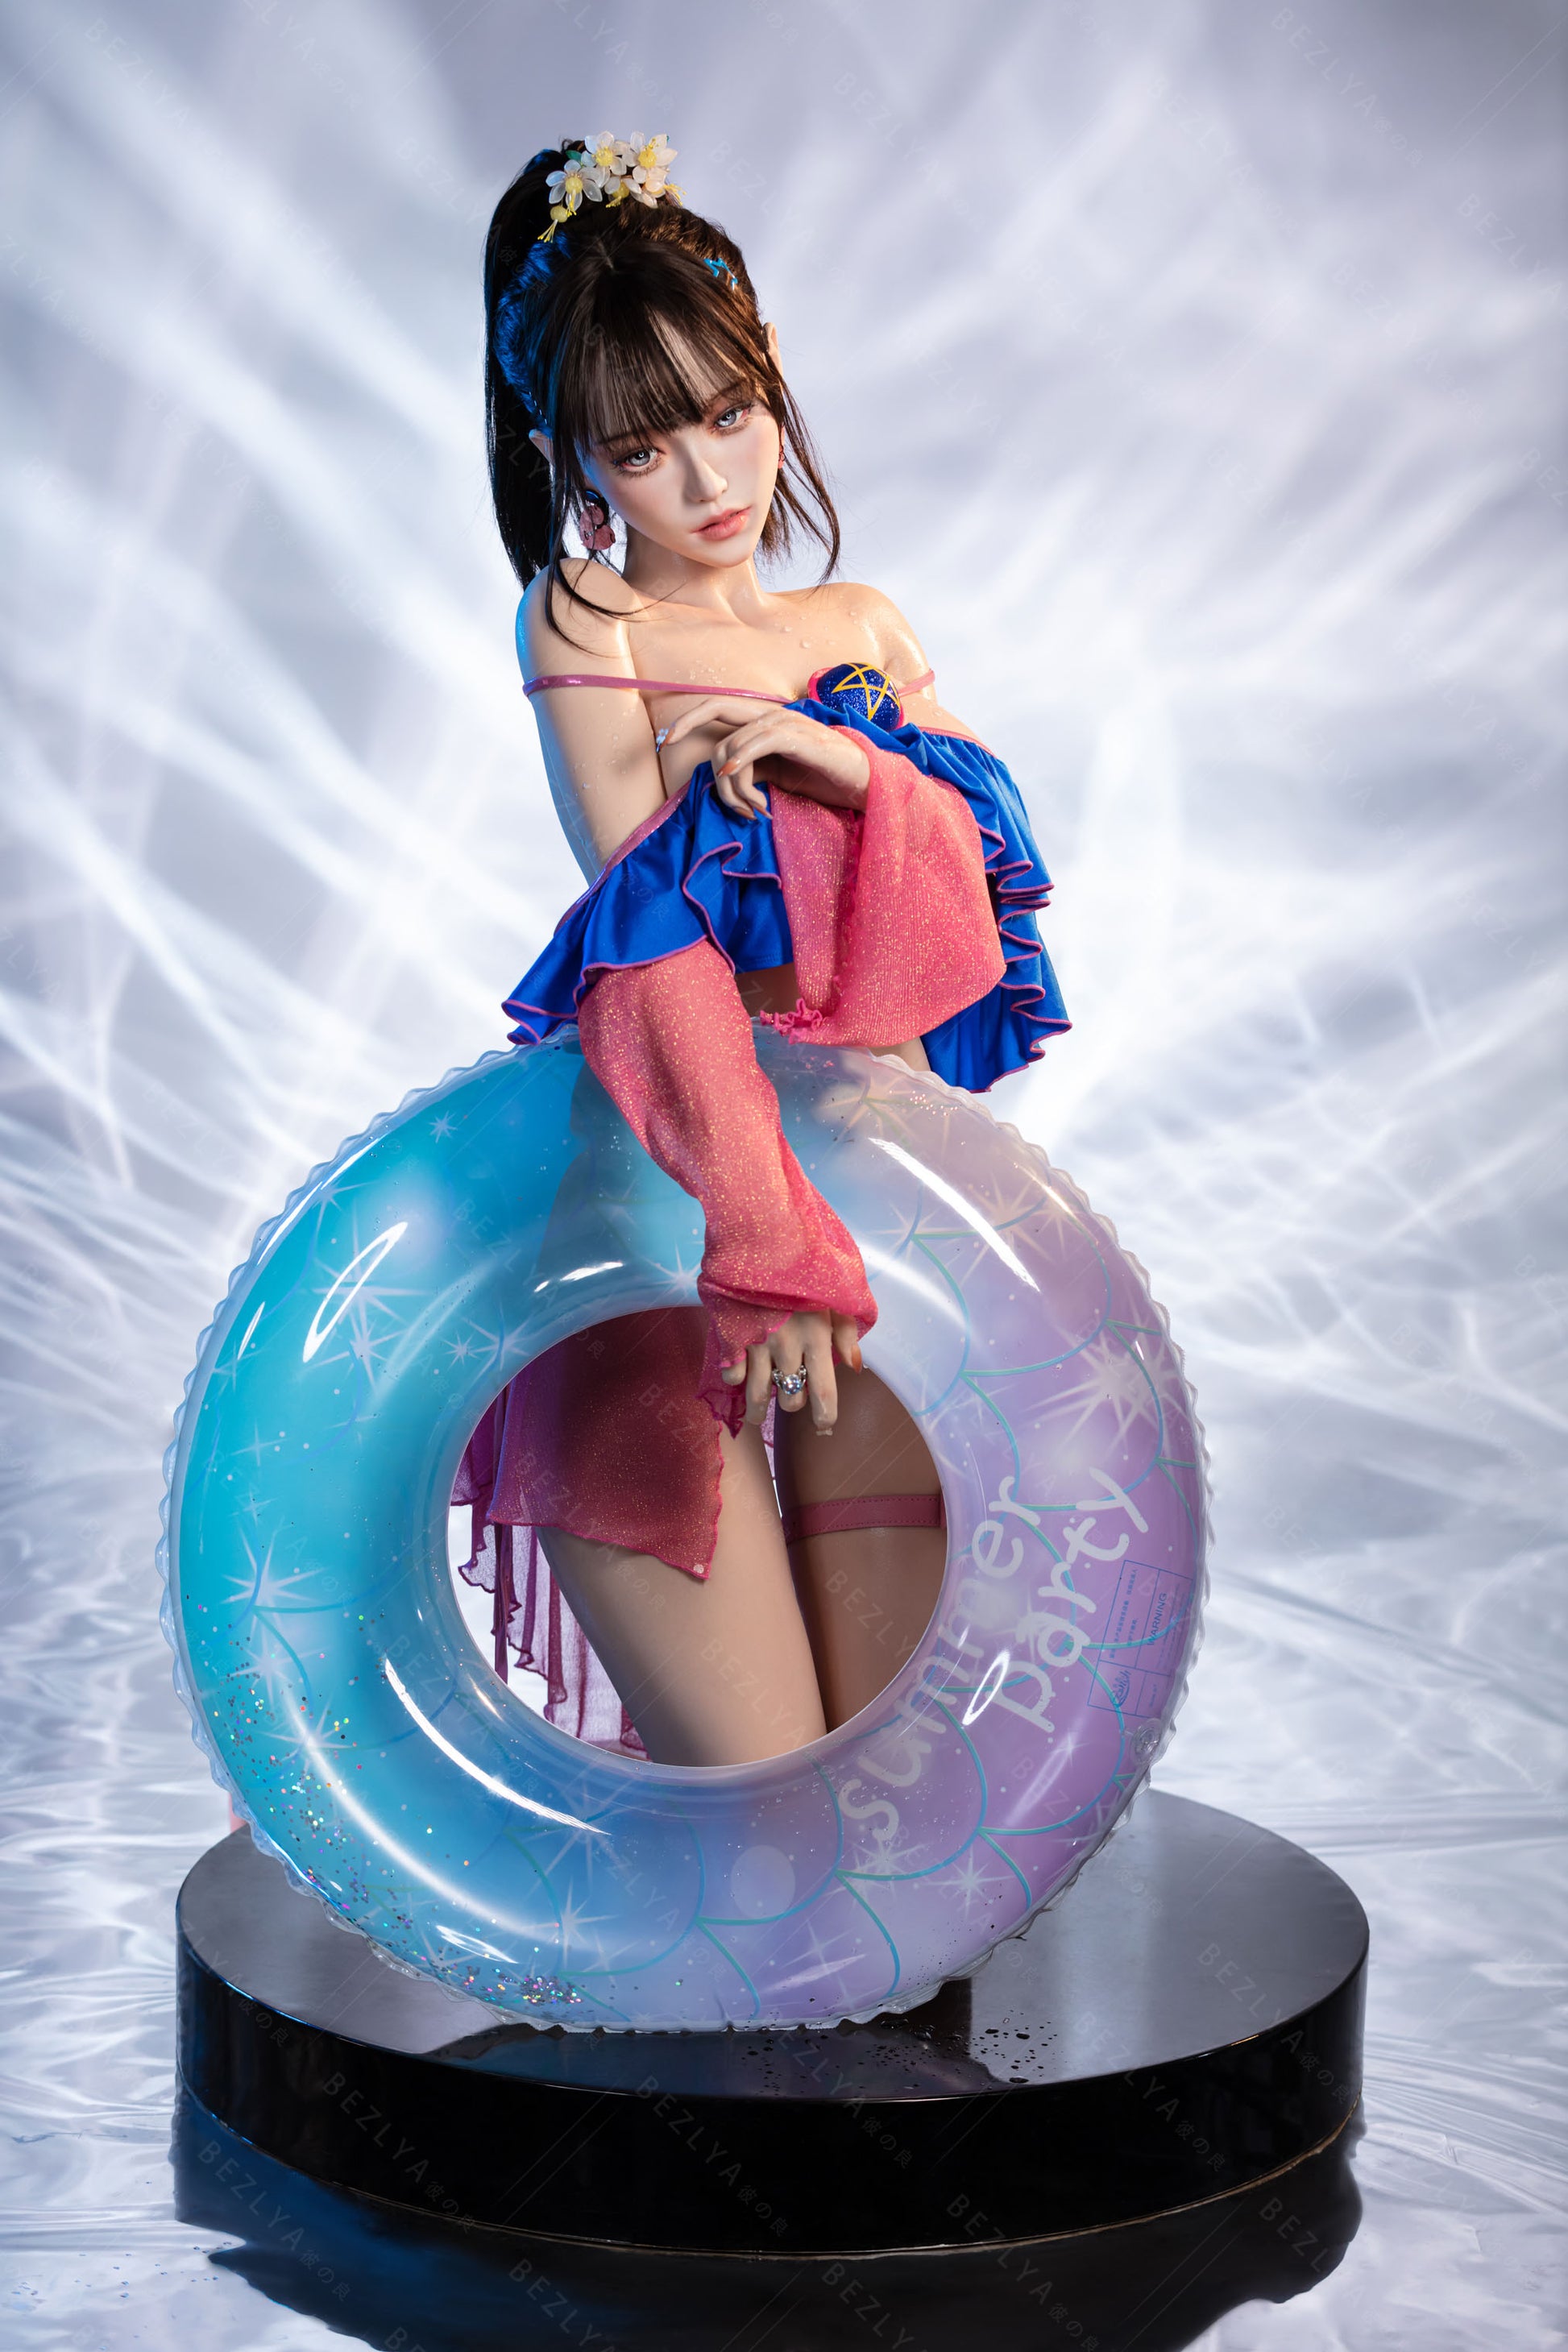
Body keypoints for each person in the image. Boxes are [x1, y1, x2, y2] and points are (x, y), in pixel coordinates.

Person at [454, 135, 1069, 1769]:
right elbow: (637, 929)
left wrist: (848, 764)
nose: (709, 481)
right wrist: (767, 1239)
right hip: (665, 1236)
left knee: (895, 1789)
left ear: (772, 371)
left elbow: (987, 898)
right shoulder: (591, 622)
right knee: (766, 1794)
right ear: (568, 456)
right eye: (642, 448)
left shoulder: (859, 629)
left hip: (877, 1242)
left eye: (730, 414)